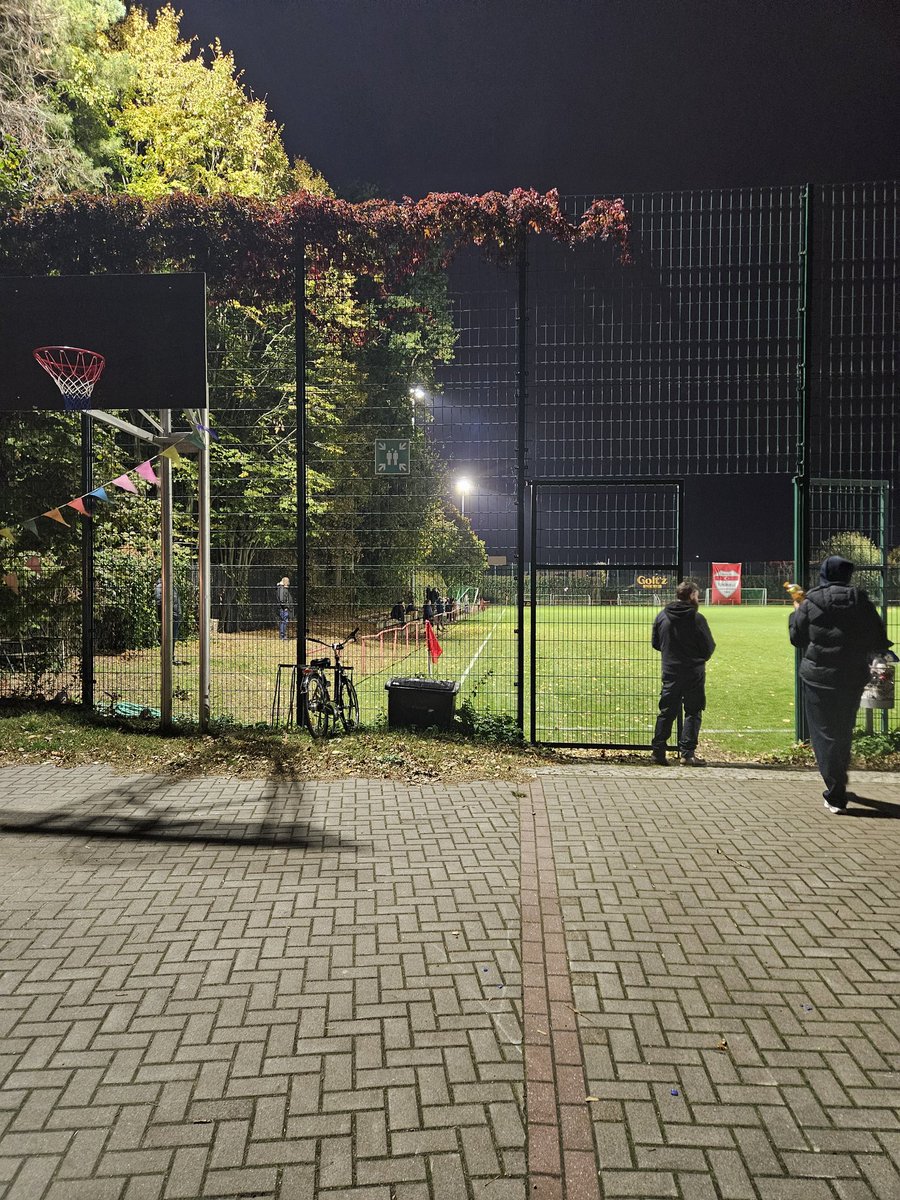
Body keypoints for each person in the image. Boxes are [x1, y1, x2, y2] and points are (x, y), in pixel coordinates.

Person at [789, 555, 891, 813]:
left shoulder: (811, 600)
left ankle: (835, 791)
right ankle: (838, 784)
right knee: (843, 731)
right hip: (851, 676)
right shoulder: (861, 600)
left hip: (818, 678)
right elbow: (878, 636)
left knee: (823, 734)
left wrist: (796, 613)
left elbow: (797, 638)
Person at [650, 579, 716, 766]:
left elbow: (656, 643)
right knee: (693, 711)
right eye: (697, 595)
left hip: (670, 671)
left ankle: (658, 752)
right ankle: (687, 754)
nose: (698, 598)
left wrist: (671, 654)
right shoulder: (696, 618)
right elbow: (708, 646)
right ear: (691, 596)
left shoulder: (662, 616)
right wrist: (697, 659)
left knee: (666, 711)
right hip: (693, 673)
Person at [154, 577, 182, 661]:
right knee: (169, 637)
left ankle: (169, 656)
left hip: (175, 614)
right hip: (170, 616)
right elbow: (159, 603)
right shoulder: (161, 586)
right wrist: (164, 615)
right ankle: (168, 657)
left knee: (172, 637)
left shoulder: (170, 585)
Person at [276, 576, 294, 641]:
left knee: (284, 622)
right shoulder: (281, 589)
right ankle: (283, 636)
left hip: (284, 608)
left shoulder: (282, 588)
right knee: (284, 622)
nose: (289, 583)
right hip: (283, 609)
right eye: (288, 582)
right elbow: (282, 600)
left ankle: (283, 635)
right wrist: (285, 607)